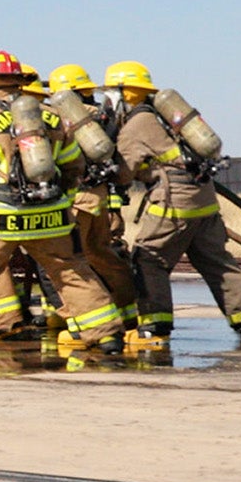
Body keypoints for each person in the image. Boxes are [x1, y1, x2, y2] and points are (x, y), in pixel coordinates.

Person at [0, 51, 125, 357]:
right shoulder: (50, 115)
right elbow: (74, 166)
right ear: (20, 82)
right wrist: (63, 202)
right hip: (51, 213)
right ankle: (106, 334)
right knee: (71, 270)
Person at [101, 60, 241, 348]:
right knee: (216, 261)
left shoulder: (136, 126)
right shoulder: (165, 114)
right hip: (204, 198)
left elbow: (124, 173)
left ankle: (155, 329)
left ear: (123, 93)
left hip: (174, 203)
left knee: (148, 258)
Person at [46, 63, 139, 347]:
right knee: (103, 256)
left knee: (69, 262)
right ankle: (128, 312)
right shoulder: (103, 116)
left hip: (75, 199)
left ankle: (79, 326)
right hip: (98, 198)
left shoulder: (62, 117)